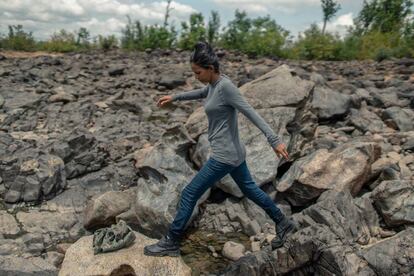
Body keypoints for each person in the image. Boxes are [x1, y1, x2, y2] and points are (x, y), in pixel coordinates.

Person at [144, 41, 297, 257]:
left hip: (225, 156)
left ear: (210, 68)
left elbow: (251, 112)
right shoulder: (214, 85)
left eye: (198, 72)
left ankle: (171, 241)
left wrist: (274, 140)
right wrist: (175, 96)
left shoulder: (226, 87)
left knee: (189, 193)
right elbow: (201, 92)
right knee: (250, 190)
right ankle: (283, 223)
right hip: (234, 153)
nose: (195, 75)